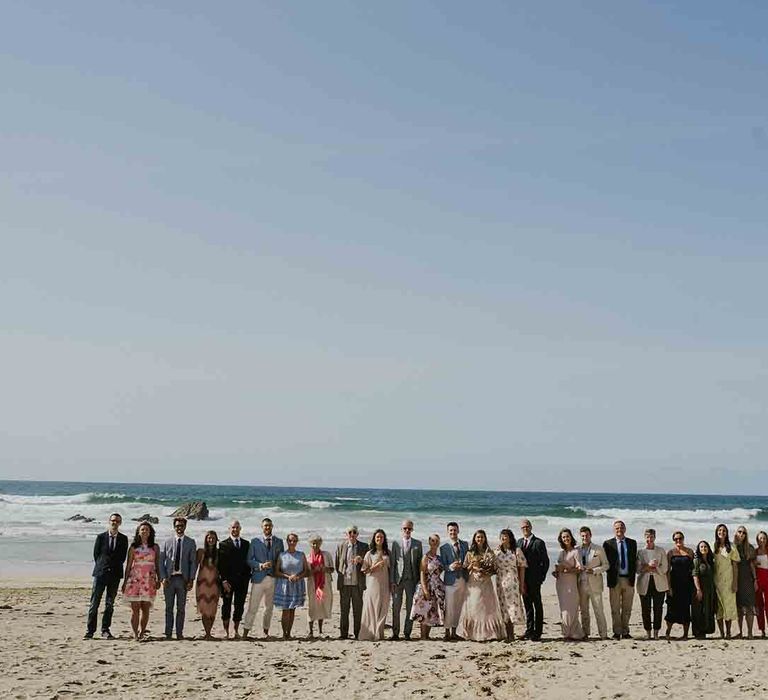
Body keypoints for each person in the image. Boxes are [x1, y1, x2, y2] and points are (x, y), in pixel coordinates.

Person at [85, 513, 128, 640]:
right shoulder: (101, 537)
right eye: (113, 520)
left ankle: (105, 629)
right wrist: (103, 566)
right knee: (94, 604)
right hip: (100, 573)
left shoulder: (123, 539)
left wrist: (112, 567)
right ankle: (90, 631)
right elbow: (96, 555)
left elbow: (122, 557)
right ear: (109, 521)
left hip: (114, 575)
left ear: (120, 523)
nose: (115, 523)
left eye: (117, 521)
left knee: (110, 604)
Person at [458, 530, 505, 641]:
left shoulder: (490, 553)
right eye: (478, 537)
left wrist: (486, 572)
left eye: (482, 537)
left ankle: (489, 633)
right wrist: (473, 567)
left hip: (486, 582)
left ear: (485, 539)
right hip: (473, 582)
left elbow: (495, 569)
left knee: (486, 607)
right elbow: (465, 568)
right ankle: (472, 634)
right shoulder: (470, 553)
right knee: (474, 606)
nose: (480, 539)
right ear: (475, 539)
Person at [243, 517, 284, 639]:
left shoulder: (279, 542)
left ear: (272, 527)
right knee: (253, 607)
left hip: (273, 578)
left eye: (269, 525)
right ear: (262, 527)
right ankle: (245, 632)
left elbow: (281, 559)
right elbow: (249, 560)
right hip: (258, 579)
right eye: (265, 525)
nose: (267, 527)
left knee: (269, 608)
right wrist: (260, 565)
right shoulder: (255, 541)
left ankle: (266, 632)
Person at [158, 517, 197, 640]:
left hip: (182, 579)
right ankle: (168, 634)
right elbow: (160, 561)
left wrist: (191, 579)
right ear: (174, 527)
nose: (179, 528)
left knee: (181, 608)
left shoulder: (191, 542)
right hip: (169, 579)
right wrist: (163, 577)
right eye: (177, 525)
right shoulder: (167, 542)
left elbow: (193, 562)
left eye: (181, 525)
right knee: (169, 608)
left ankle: (179, 634)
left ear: (185, 527)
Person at [121, 521, 161, 641]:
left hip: (149, 579)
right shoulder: (133, 547)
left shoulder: (155, 547)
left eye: (147, 530)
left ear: (150, 532)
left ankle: (143, 632)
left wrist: (159, 578)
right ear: (138, 532)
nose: (145, 531)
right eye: (142, 529)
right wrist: (124, 582)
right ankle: (135, 634)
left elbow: (157, 564)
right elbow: (128, 566)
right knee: (135, 608)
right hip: (135, 579)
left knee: (145, 608)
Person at [603, 520, 637, 639]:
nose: (619, 530)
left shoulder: (632, 543)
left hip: (628, 579)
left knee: (627, 607)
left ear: (625, 529)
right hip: (614, 579)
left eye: (621, 527)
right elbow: (604, 562)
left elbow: (634, 561)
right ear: (614, 530)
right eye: (617, 528)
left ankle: (625, 631)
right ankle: (617, 631)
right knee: (615, 608)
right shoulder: (607, 544)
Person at [390, 519, 423, 640]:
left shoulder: (417, 544)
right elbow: (393, 564)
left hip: (411, 580)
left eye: (409, 528)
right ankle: (395, 633)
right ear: (402, 529)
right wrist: (392, 581)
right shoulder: (395, 543)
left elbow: (420, 564)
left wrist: (419, 581)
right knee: (396, 607)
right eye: (405, 528)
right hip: (398, 580)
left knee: (410, 607)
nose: (407, 530)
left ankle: (407, 633)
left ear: (412, 530)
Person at [218, 520, 250, 639]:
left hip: (242, 581)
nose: (235, 530)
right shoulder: (223, 544)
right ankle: (226, 631)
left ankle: (236, 630)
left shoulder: (246, 544)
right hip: (228, 581)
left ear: (240, 529)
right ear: (229, 529)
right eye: (233, 527)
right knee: (226, 606)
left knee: (239, 606)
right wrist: (224, 580)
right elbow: (220, 565)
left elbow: (248, 562)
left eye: (237, 527)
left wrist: (248, 576)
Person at [517, 519, 549, 641]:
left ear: (531, 527)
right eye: (523, 527)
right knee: (527, 606)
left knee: (537, 605)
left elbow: (545, 562)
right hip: (523, 580)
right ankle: (529, 630)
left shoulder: (539, 542)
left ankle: (538, 632)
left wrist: (541, 578)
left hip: (535, 580)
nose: (525, 528)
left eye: (527, 526)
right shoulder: (519, 542)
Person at [335, 525, 368, 639]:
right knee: (344, 610)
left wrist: (361, 560)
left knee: (357, 610)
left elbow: (368, 564)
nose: (352, 534)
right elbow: (337, 564)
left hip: (357, 584)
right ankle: (343, 634)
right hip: (344, 583)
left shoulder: (364, 546)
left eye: (354, 532)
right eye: (350, 532)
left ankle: (358, 633)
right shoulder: (341, 546)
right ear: (346, 534)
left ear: (357, 534)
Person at [273, 533, 309, 639]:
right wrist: (287, 576)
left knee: (292, 610)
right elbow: (276, 571)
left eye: (294, 541)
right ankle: (285, 633)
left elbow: (305, 571)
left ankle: (289, 633)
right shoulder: (282, 555)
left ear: (297, 542)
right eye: (290, 541)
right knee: (285, 610)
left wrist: (298, 577)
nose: (292, 543)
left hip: (297, 585)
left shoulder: (301, 554)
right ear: (287, 541)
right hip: (284, 584)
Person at [410, 533, 446, 639]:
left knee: (432, 610)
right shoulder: (425, 557)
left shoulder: (439, 558)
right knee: (423, 610)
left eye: (436, 541)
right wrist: (425, 589)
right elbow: (422, 573)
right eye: (432, 541)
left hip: (437, 585)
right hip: (426, 584)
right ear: (429, 542)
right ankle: (423, 636)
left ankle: (428, 635)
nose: (434, 543)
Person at [576, 526, 609, 640]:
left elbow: (606, 565)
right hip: (581, 584)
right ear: (580, 537)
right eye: (583, 536)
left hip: (595, 583)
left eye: (587, 535)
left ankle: (603, 634)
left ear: (590, 535)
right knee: (584, 611)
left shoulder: (598, 549)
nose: (585, 538)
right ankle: (585, 633)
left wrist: (594, 571)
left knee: (599, 610)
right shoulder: (577, 549)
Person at [636, 528, 668, 640]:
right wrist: (648, 566)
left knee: (658, 609)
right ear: (645, 537)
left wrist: (655, 568)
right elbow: (637, 569)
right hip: (644, 582)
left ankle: (656, 632)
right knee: (645, 609)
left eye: (651, 537)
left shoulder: (661, 550)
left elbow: (665, 568)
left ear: (655, 537)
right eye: (647, 537)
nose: (649, 539)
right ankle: (648, 632)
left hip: (659, 582)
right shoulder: (641, 552)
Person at [494, 528, 526, 641]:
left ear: (510, 538)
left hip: (512, 580)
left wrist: (522, 585)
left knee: (512, 607)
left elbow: (522, 568)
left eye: (506, 536)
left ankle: (511, 635)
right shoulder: (496, 551)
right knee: (503, 607)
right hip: (500, 581)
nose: (503, 538)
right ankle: (508, 634)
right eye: (502, 536)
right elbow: (492, 567)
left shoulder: (516, 551)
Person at [359, 529, 391, 641]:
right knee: (372, 608)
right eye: (377, 537)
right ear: (374, 539)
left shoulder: (388, 553)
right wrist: (375, 567)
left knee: (383, 608)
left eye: (381, 537)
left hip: (385, 583)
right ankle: (369, 633)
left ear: (384, 539)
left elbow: (392, 569)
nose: (379, 539)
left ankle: (379, 633)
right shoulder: (369, 553)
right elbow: (365, 571)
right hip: (373, 583)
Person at [553, 528, 584, 641]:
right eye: (563, 537)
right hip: (560, 583)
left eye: (567, 536)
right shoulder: (561, 553)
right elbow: (558, 567)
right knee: (564, 608)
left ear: (571, 537)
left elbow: (580, 569)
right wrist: (556, 572)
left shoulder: (576, 551)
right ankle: (566, 632)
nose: (566, 538)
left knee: (572, 607)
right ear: (561, 539)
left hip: (571, 582)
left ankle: (575, 632)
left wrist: (568, 570)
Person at [439, 521, 469, 641]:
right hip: (450, 580)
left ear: (458, 531)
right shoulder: (444, 548)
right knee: (449, 606)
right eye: (451, 530)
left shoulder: (465, 545)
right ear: (448, 532)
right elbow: (442, 566)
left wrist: (462, 565)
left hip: (462, 578)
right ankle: (446, 632)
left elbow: (468, 561)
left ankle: (454, 632)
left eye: (455, 530)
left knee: (458, 606)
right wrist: (451, 567)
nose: (453, 532)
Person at [664, 531, 694, 641]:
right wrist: (668, 587)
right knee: (671, 609)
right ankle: (668, 631)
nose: (678, 540)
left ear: (683, 539)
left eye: (680, 538)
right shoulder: (671, 553)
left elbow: (693, 569)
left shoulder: (690, 552)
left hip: (687, 584)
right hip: (674, 584)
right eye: (676, 539)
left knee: (686, 609)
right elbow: (667, 571)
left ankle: (685, 634)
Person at [713, 523, 740, 639]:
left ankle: (728, 632)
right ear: (717, 532)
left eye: (724, 531)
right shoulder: (713, 546)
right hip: (716, 581)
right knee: (719, 608)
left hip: (728, 581)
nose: (722, 532)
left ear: (726, 533)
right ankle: (722, 633)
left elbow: (735, 566)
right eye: (720, 530)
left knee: (728, 607)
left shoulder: (732, 547)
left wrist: (735, 583)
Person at [306, 534, 335, 638]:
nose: (315, 545)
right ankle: (310, 631)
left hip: (324, 583)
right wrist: (314, 570)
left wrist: (324, 569)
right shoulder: (308, 557)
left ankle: (321, 630)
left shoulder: (326, 555)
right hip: (312, 583)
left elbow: (332, 569)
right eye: (313, 543)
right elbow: (306, 573)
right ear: (310, 544)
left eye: (317, 543)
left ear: (320, 544)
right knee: (312, 605)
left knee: (321, 605)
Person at [195, 530, 222, 640]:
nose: (211, 540)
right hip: (202, 584)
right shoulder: (201, 552)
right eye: (209, 538)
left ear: (216, 540)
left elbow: (221, 570)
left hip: (215, 584)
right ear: (206, 539)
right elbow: (195, 567)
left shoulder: (219, 552)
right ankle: (207, 633)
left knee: (212, 609)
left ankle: (209, 632)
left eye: (213, 538)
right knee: (204, 609)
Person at [734, 526, 757, 639]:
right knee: (739, 607)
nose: (741, 534)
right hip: (735, 579)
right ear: (736, 533)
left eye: (744, 532)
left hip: (747, 580)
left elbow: (752, 565)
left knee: (749, 606)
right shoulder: (732, 547)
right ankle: (740, 632)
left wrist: (755, 580)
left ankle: (750, 633)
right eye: (739, 532)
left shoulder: (750, 547)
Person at [691, 540, 716, 639]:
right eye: (701, 547)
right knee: (699, 610)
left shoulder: (710, 561)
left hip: (709, 589)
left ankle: (705, 630)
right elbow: (695, 575)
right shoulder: (697, 560)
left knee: (707, 610)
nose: (703, 548)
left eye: (705, 547)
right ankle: (698, 632)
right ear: (698, 549)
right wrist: (698, 589)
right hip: (700, 588)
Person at [754, 531, 768, 638]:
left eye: (763, 538)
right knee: (759, 605)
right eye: (760, 539)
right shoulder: (754, 552)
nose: (762, 540)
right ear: (757, 540)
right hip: (758, 579)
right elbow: (752, 567)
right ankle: (762, 629)